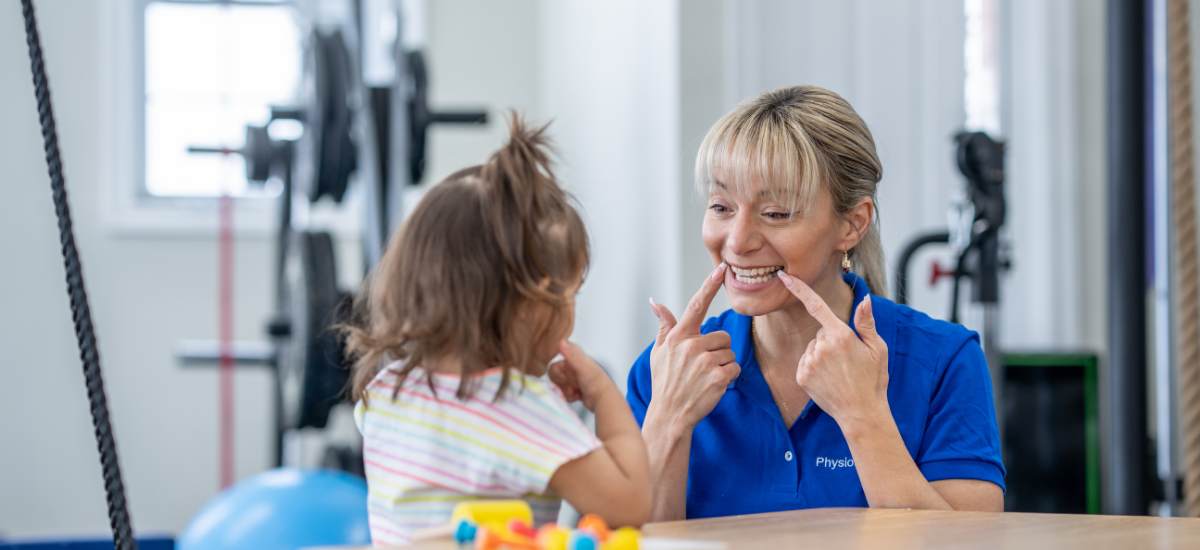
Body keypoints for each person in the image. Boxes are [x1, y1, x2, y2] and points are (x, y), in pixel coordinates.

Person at [627, 86, 1005, 521]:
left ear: (852, 224)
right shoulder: (664, 370)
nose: (736, 240)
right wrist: (667, 422)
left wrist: (863, 416)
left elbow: (974, 543)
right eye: (721, 206)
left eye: (776, 213)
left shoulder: (944, 361)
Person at [345, 115, 651, 545]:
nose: (571, 315)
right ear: (529, 306)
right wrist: (603, 395)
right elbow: (631, 503)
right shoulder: (520, 405)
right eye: (569, 297)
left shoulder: (385, 391)